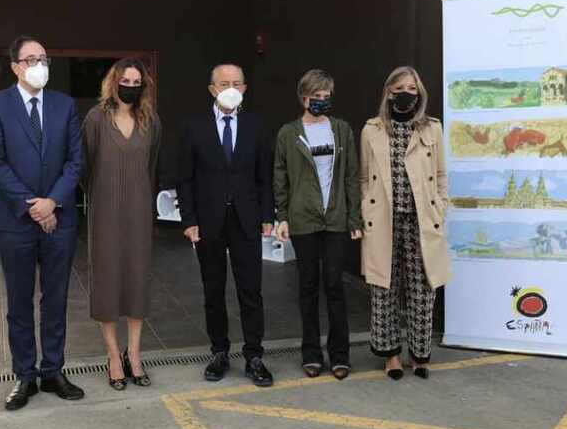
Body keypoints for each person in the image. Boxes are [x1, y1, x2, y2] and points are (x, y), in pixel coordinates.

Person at [0, 36, 84, 410]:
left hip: (61, 217)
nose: (39, 65)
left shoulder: (64, 105)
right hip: (15, 220)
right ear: (15, 67)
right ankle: (25, 375)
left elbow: (75, 161)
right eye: (30, 59)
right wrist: (35, 207)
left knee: (56, 298)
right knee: (19, 301)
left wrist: (53, 201)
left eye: (44, 58)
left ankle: (53, 370)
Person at [177, 63, 275, 387]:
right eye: (223, 83)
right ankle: (219, 352)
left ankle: (254, 355)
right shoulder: (194, 127)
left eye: (236, 83)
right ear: (212, 89)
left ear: (244, 88)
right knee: (213, 290)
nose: (230, 88)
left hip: (247, 220)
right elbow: (185, 178)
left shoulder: (256, 125)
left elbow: (264, 175)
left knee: (251, 291)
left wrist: (267, 215)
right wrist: (189, 220)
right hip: (209, 221)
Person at [359, 66, 452, 380]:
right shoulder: (371, 129)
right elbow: (363, 177)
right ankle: (391, 356)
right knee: (384, 289)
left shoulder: (432, 128)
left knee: (422, 289)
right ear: (388, 92)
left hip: (421, 221)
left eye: (412, 88)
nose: (406, 94)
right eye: (399, 88)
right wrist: (366, 209)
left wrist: (440, 207)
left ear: (419, 92)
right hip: (383, 220)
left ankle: (420, 353)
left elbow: (440, 174)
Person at [273, 69, 362, 380]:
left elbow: (351, 175)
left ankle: (340, 354)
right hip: (303, 218)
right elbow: (280, 177)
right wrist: (282, 216)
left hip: (335, 217)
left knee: (334, 284)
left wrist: (354, 217)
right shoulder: (288, 133)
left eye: (326, 96)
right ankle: (311, 353)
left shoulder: (341, 130)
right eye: (316, 96)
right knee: (308, 285)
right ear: (304, 98)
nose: (322, 101)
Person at [82, 58, 161, 390]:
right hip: (105, 213)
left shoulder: (151, 121)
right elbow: (84, 166)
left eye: (136, 81)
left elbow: (153, 166)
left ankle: (135, 353)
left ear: (143, 85)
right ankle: (114, 356)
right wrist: (103, 195)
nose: (130, 86)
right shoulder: (95, 119)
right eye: (124, 81)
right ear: (113, 83)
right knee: (107, 280)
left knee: (137, 279)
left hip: (139, 212)